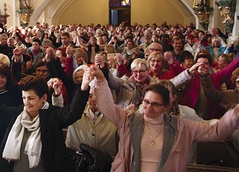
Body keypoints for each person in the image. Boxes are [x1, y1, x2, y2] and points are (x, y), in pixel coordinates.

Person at [85, 64, 239, 171]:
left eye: (155, 104)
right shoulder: (129, 120)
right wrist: (100, 79)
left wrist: (234, 114)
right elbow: (108, 108)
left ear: (166, 106)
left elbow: (215, 131)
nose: (148, 108)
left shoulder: (181, 126)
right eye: (146, 102)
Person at [0, 62, 90, 172]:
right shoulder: (17, 114)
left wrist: (83, 87)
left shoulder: (51, 116)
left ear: (43, 98)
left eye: (31, 98)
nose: (27, 103)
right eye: (24, 98)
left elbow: (72, 113)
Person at [65, 87, 118, 158]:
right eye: (90, 96)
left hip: (107, 163)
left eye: (97, 96)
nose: (93, 99)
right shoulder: (76, 113)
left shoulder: (114, 116)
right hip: (80, 161)